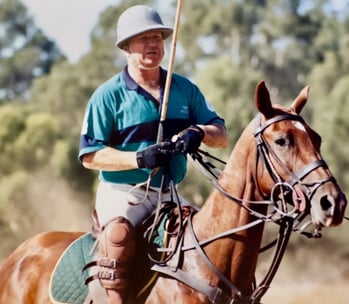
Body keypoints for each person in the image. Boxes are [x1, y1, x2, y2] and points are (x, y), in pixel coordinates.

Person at [78, 4, 229, 304]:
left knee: (207, 238)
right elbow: (90, 155)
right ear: (126, 47)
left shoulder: (184, 89)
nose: (153, 44)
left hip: (169, 192)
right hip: (123, 192)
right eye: (143, 38)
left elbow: (221, 135)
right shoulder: (107, 96)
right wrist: (138, 158)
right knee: (117, 238)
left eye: (158, 37)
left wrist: (197, 132)